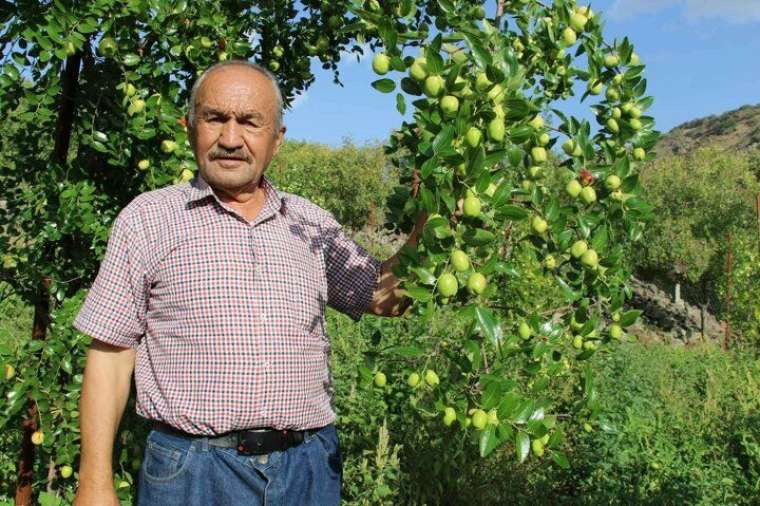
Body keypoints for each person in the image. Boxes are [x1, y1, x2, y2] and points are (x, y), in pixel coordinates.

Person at [72, 60, 426, 505]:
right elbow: (111, 352)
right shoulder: (149, 219)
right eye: (215, 118)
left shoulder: (309, 223)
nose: (231, 139)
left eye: (250, 122)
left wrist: (432, 225)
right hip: (193, 474)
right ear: (189, 127)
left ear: (276, 139)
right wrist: (94, 484)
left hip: (308, 469)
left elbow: (382, 297)